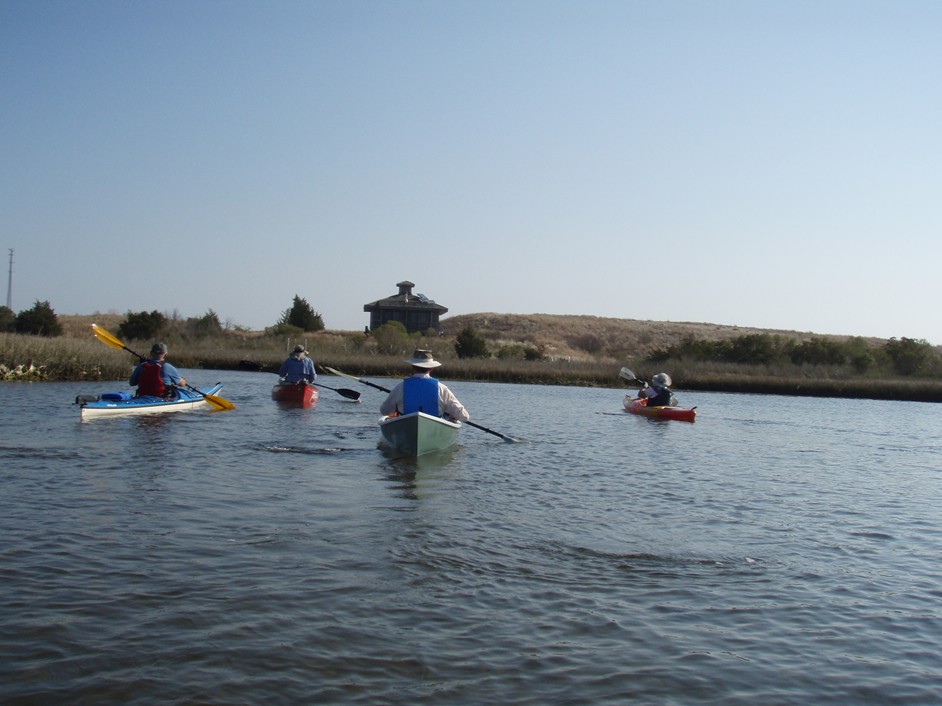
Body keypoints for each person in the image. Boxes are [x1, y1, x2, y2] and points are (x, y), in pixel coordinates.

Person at [380, 349, 470, 422]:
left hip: (405, 425)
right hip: (434, 427)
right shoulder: (442, 389)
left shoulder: (400, 387)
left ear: (412, 366)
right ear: (431, 368)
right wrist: (452, 415)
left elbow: (384, 411)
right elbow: (465, 417)